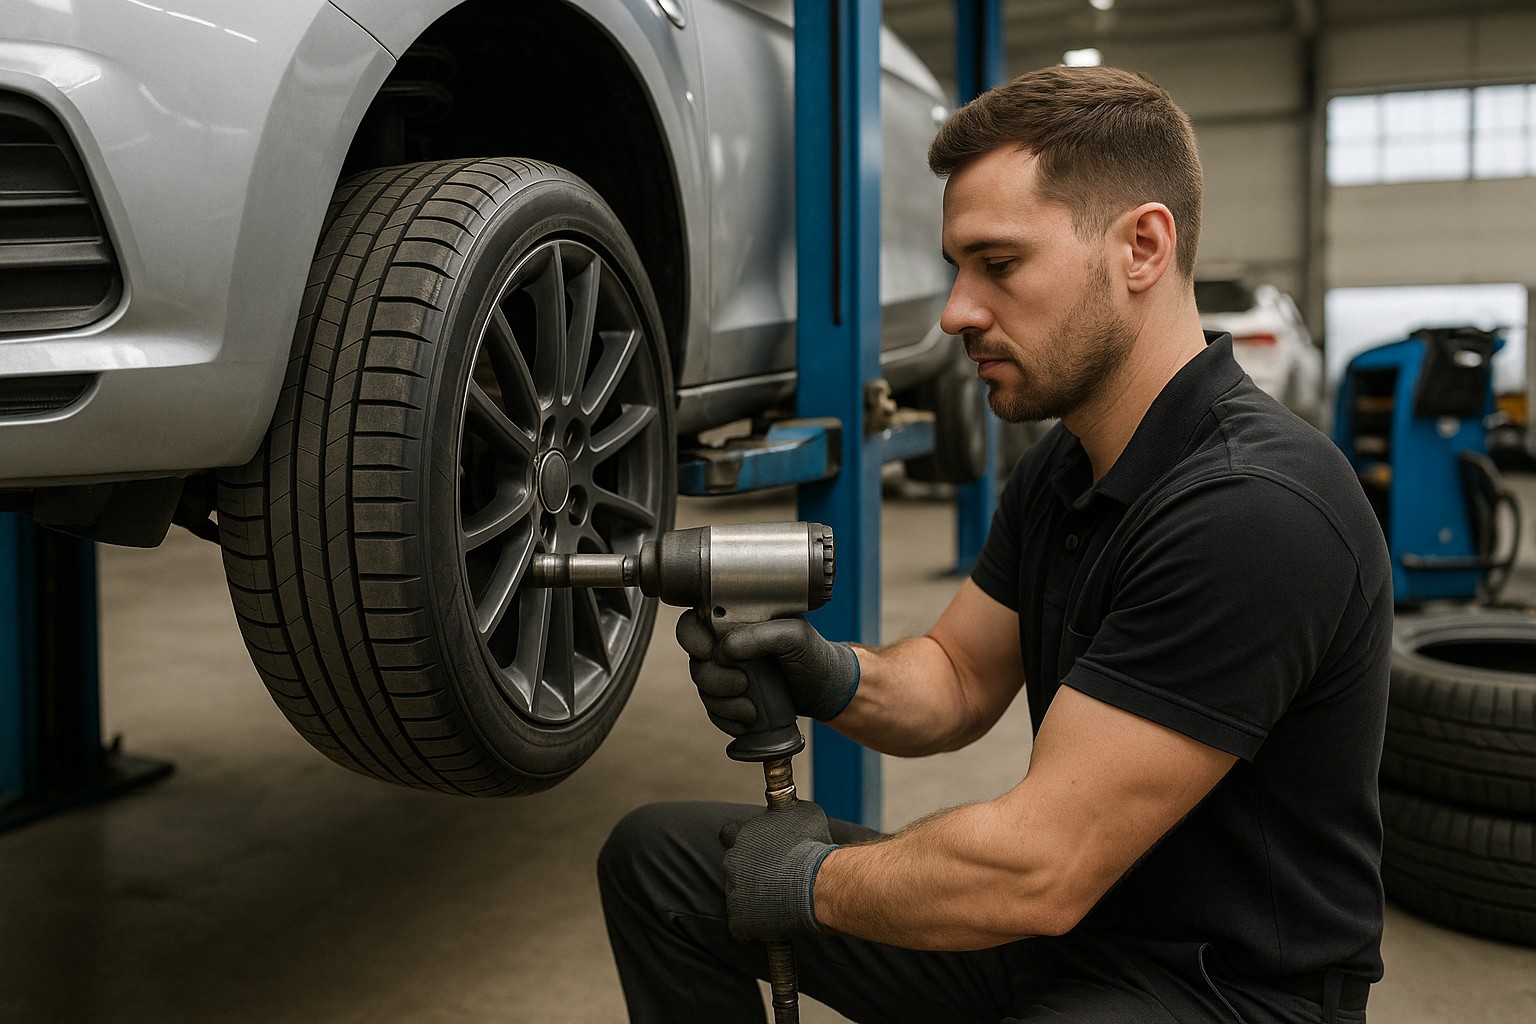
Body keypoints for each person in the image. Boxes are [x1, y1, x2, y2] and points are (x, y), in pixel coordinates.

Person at [598, 65, 1391, 1024]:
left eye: (999, 265)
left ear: (1142, 245)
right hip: (1070, 935)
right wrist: (828, 674)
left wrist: (808, 884)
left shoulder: (1255, 509)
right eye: (955, 270)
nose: (956, 313)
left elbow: (1036, 869)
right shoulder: (1067, 465)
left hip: (1224, 988)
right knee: (662, 866)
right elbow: (959, 681)